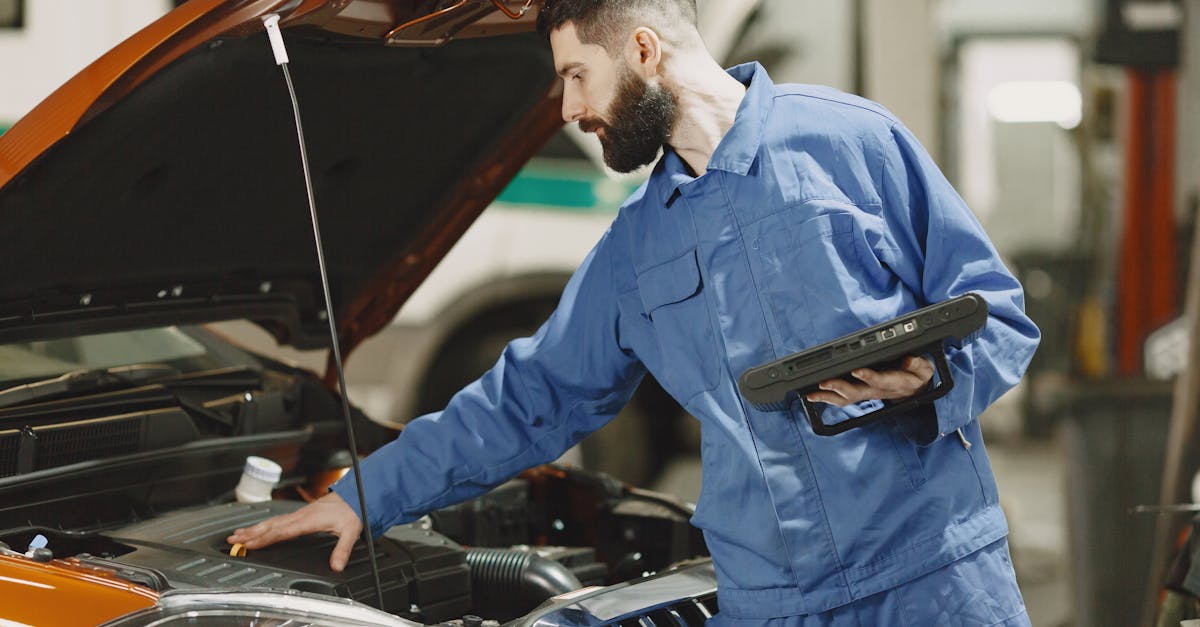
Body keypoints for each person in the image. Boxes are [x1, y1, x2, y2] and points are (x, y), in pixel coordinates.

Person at [228, 0, 1041, 623]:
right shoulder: (634, 248)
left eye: (576, 74)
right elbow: (529, 398)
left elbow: (998, 316)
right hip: (776, 600)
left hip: (932, 575)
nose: (566, 108)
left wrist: (929, 376)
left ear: (643, 50)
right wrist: (362, 496)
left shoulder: (852, 145)